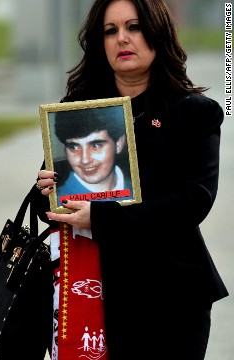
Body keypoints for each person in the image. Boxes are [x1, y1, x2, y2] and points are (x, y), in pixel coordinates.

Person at [33, 0, 228, 359]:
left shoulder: (193, 112)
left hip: (171, 298)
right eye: (111, 31)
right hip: (90, 289)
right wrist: (46, 187)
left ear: (158, 33)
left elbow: (195, 199)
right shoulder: (79, 109)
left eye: (134, 27)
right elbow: (54, 204)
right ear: (99, 42)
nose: (123, 39)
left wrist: (103, 218)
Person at [52, 106, 132, 205]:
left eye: (95, 145)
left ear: (118, 144)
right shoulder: (59, 202)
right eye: (74, 147)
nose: (85, 160)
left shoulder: (138, 190)